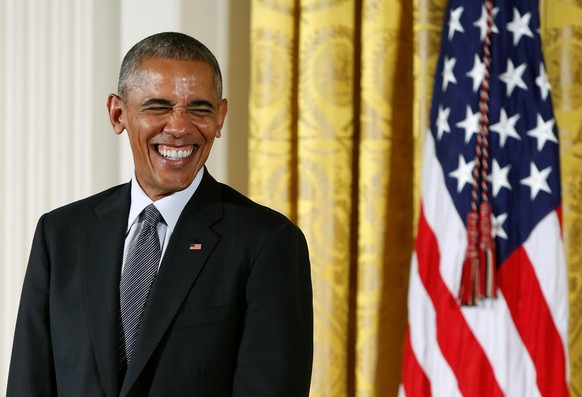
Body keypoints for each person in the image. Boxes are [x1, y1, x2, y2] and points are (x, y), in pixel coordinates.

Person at [7, 32, 313, 396]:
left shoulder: (267, 242)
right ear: (117, 113)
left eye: (200, 108)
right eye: (158, 107)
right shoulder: (60, 235)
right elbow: (30, 383)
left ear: (221, 117)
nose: (180, 127)